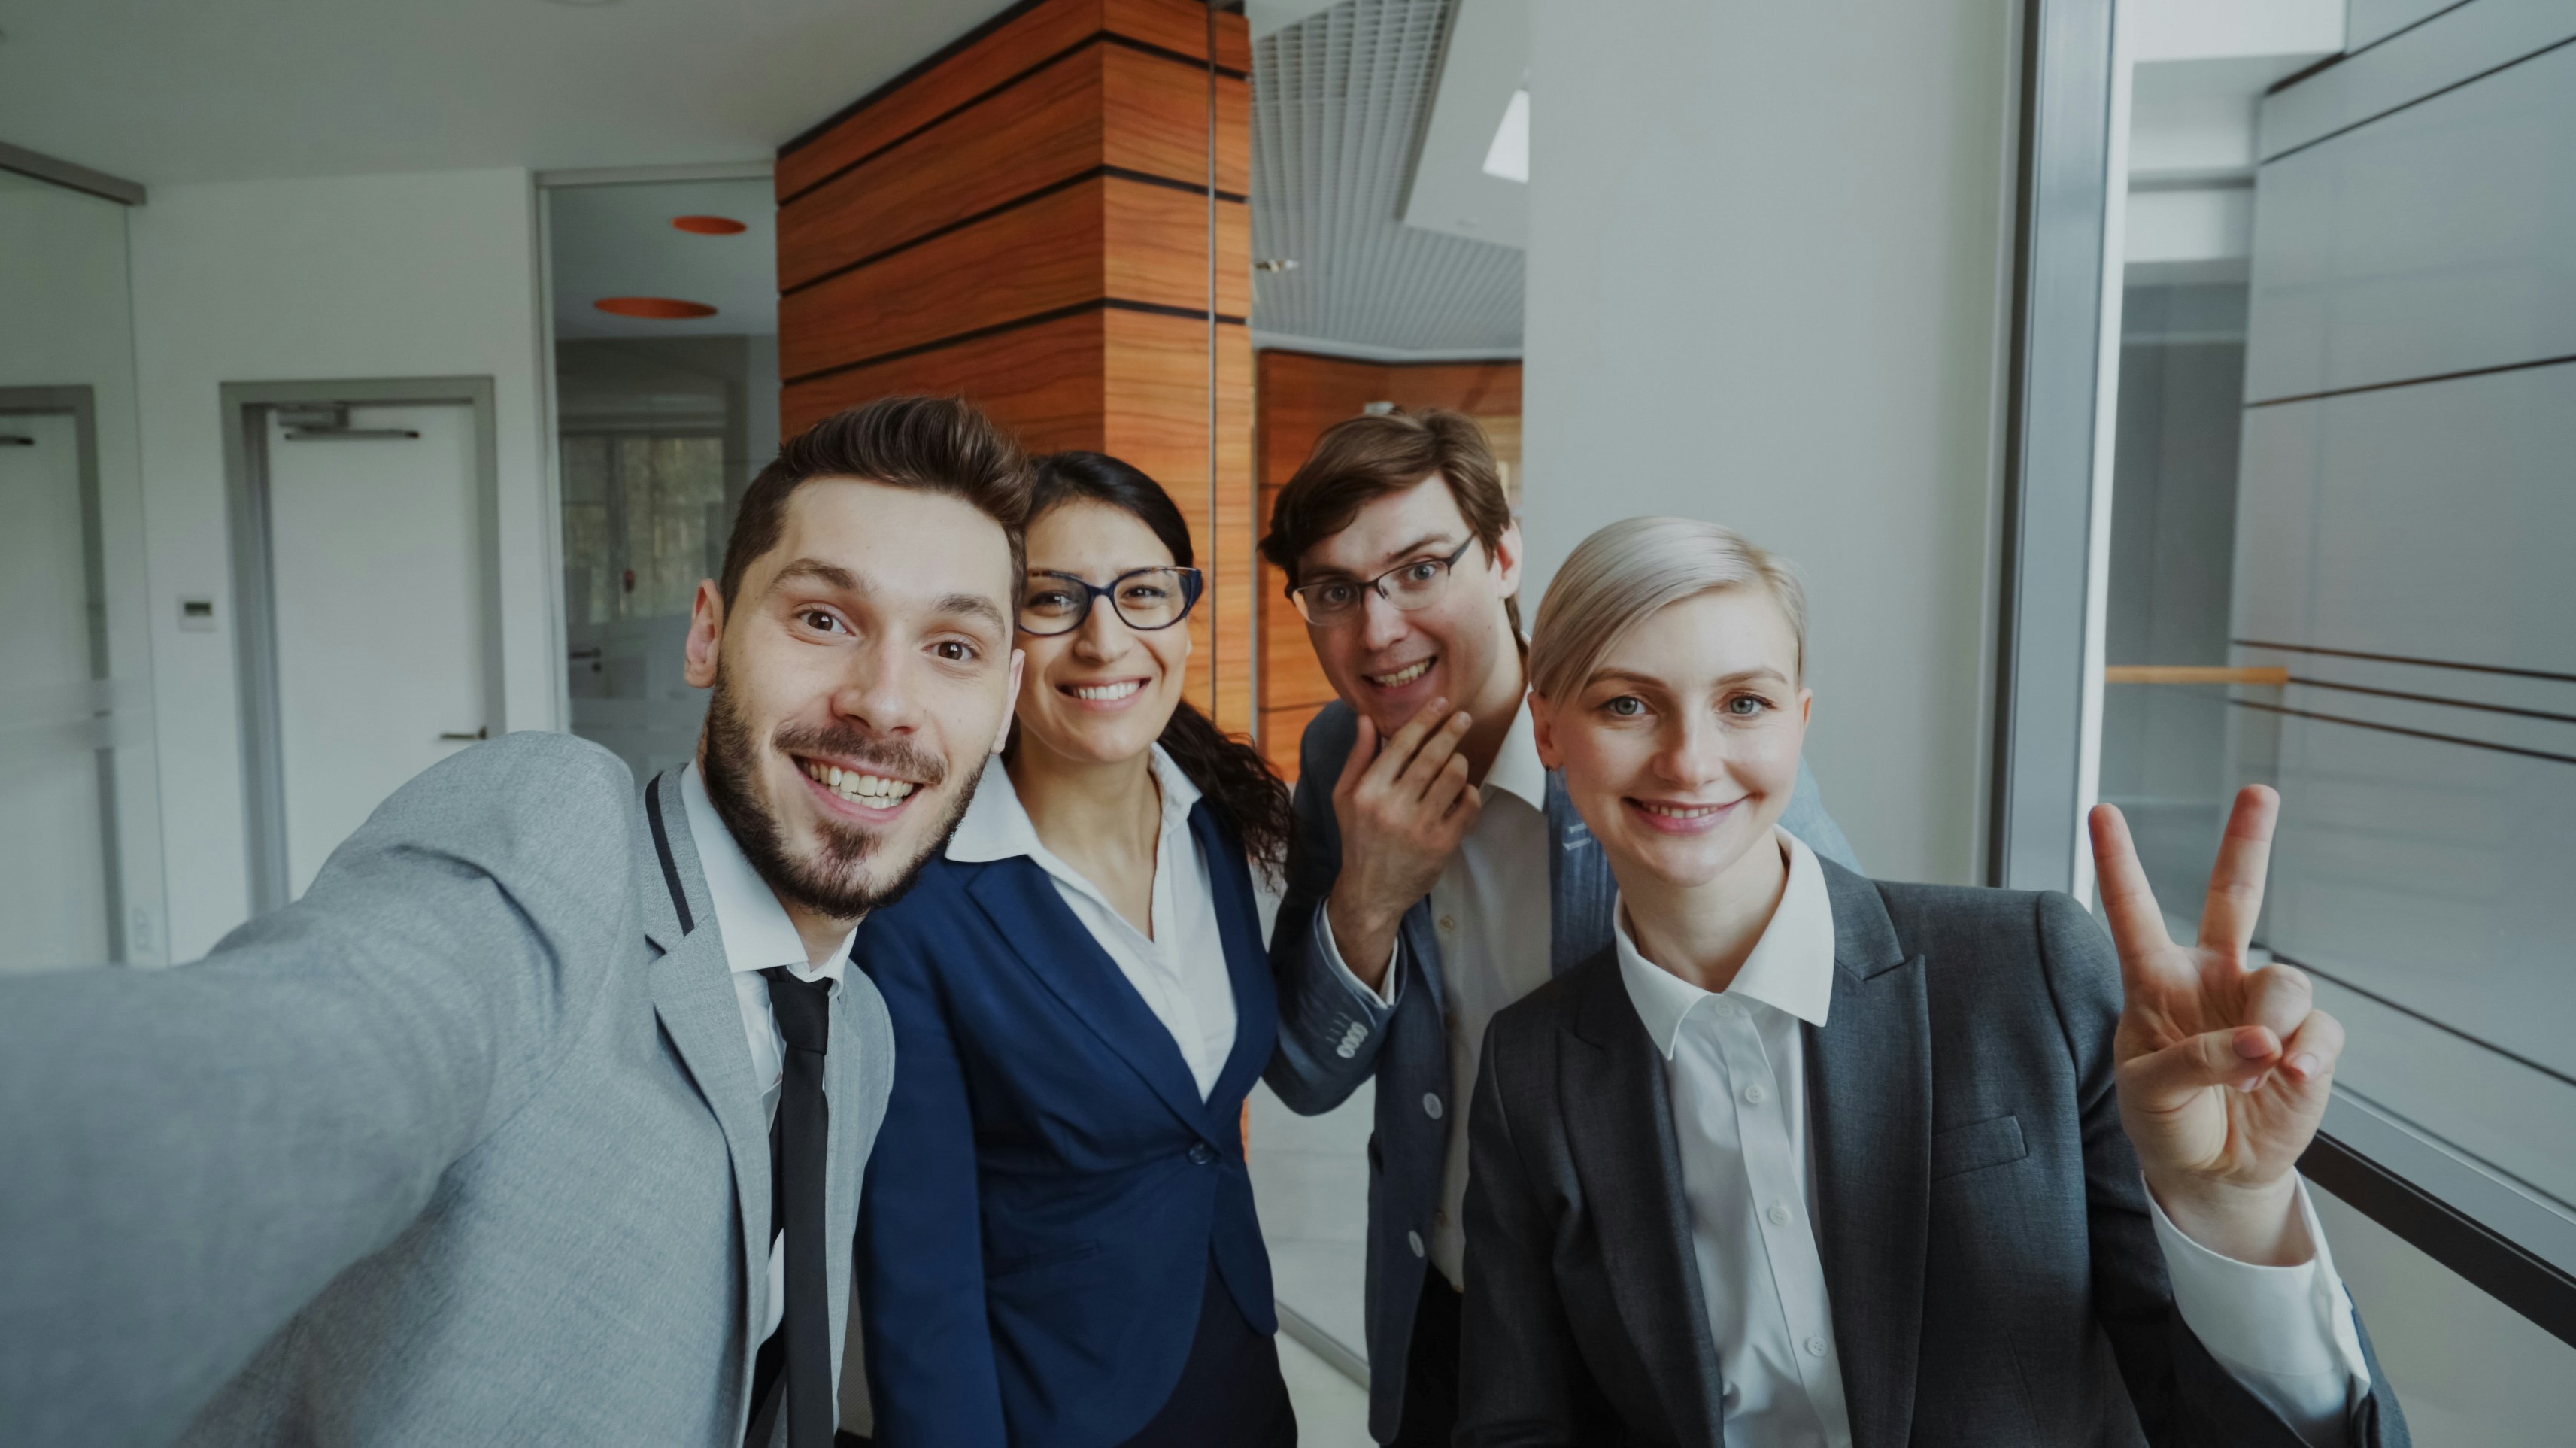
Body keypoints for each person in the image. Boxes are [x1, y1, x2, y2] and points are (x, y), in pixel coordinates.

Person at [0, 396, 1036, 1448]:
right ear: (709, 634)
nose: (883, 699)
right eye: (822, 617)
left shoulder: (855, 1034)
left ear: (1006, 692)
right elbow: (310, 1058)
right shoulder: (556, 838)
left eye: (953, 649)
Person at [1460, 515, 2408, 1447]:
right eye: (1625, 704)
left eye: (1742, 703)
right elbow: (1517, 1419)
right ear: (1547, 727)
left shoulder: (2022, 969)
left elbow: (2202, 1412)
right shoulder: (1529, 1066)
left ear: (1798, 722)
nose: (1689, 760)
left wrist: (2230, 1206)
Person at [1255, 408, 1859, 1446]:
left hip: (1642, 1322)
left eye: (1418, 570)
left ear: (1501, 554)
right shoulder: (1337, 755)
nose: (1379, 629)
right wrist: (1370, 895)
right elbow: (1306, 1072)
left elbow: (1840, 1020)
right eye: (1336, 591)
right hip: (1441, 1305)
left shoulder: (1656, 752)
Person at [855, 451, 1299, 1447]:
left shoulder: (1211, 824)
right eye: (1054, 600)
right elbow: (918, 1271)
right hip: (1056, 1403)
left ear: (1184, 614)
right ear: (1001, 636)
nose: (1107, 640)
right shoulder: (918, 908)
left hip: (1237, 1363)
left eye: (1144, 594)